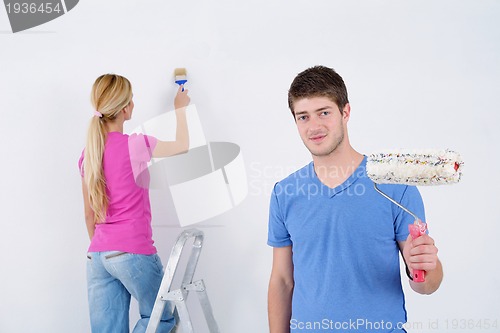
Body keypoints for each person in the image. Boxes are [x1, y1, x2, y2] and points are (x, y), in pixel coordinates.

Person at [267, 66, 443, 333]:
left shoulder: (394, 187)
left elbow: (426, 284)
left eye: (324, 112)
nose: (314, 126)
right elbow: (282, 280)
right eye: (303, 116)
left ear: (345, 112)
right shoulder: (285, 193)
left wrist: (424, 268)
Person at [78, 74, 190, 333]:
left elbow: (88, 215)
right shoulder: (135, 145)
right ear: (126, 107)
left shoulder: (88, 154)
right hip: (132, 251)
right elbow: (182, 146)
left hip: (96, 255)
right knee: (160, 319)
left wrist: (105, 247)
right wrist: (180, 109)